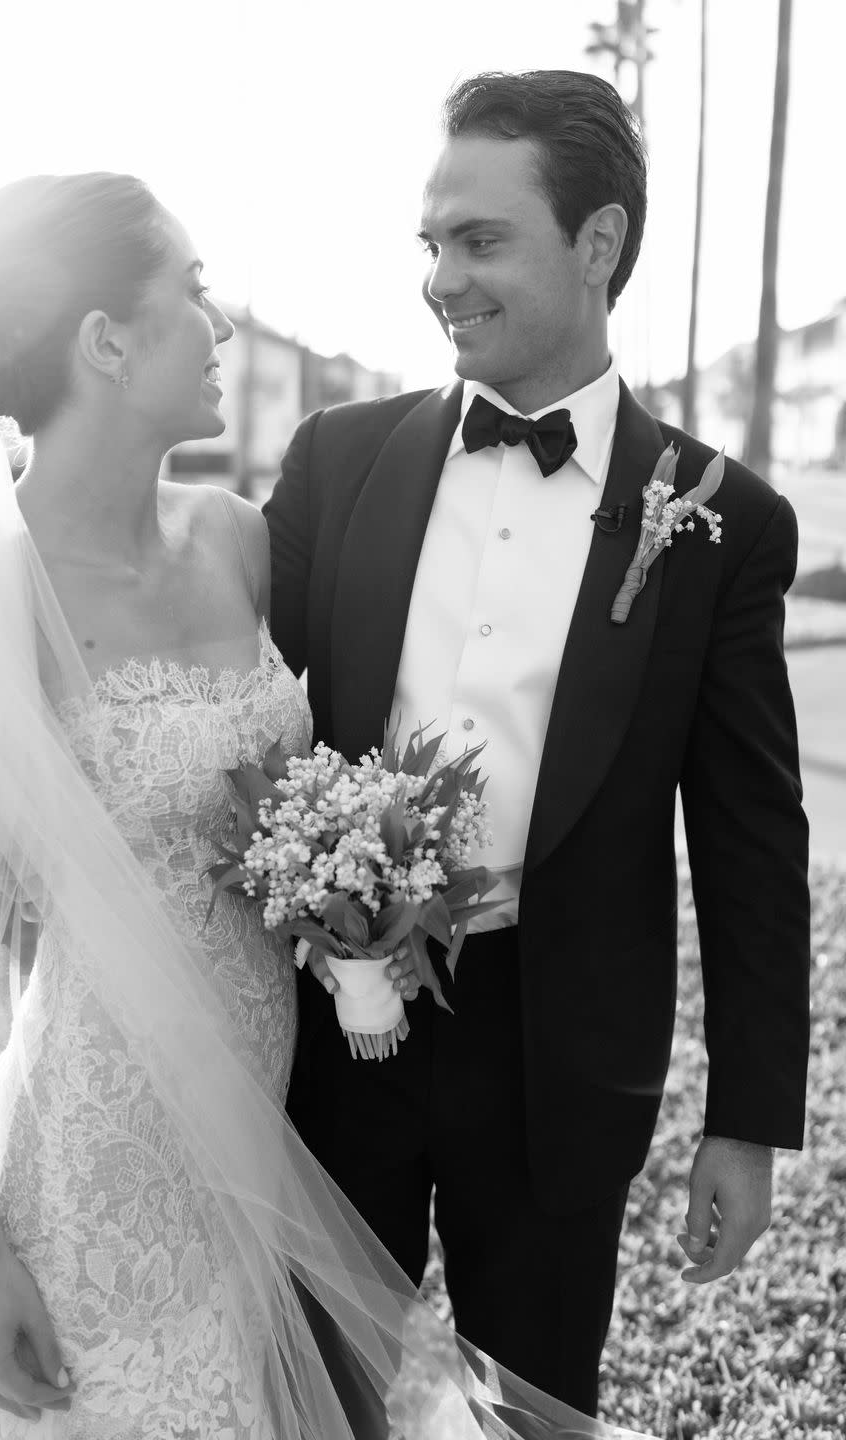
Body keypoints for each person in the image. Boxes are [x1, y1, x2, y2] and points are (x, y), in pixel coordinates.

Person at [0, 172, 654, 1440]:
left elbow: (343, 755)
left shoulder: (244, 543)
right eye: (192, 289)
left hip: (282, 1126)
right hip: (100, 1161)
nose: (225, 322)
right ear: (107, 341)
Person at [265, 69, 811, 1420]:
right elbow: (229, 707)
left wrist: (744, 1122)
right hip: (335, 1038)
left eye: (481, 240)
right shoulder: (337, 462)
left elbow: (751, 841)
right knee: (320, 1401)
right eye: (432, 243)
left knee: (533, 1410)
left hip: (560, 1067)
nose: (442, 276)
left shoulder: (719, 521)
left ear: (600, 244)